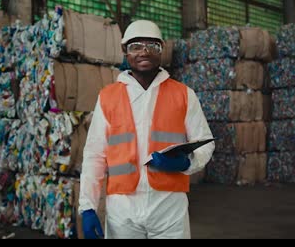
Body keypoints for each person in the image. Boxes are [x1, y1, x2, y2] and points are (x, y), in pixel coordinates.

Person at [79, 19, 215, 239]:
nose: (144, 52)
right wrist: (87, 206)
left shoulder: (183, 94)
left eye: (152, 46)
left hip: (168, 206)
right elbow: (95, 155)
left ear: (161, 51)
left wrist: (187, 163)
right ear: (125, 51)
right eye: (135, 46)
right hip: (123, 209)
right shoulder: (108, 97)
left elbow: (205, 142)